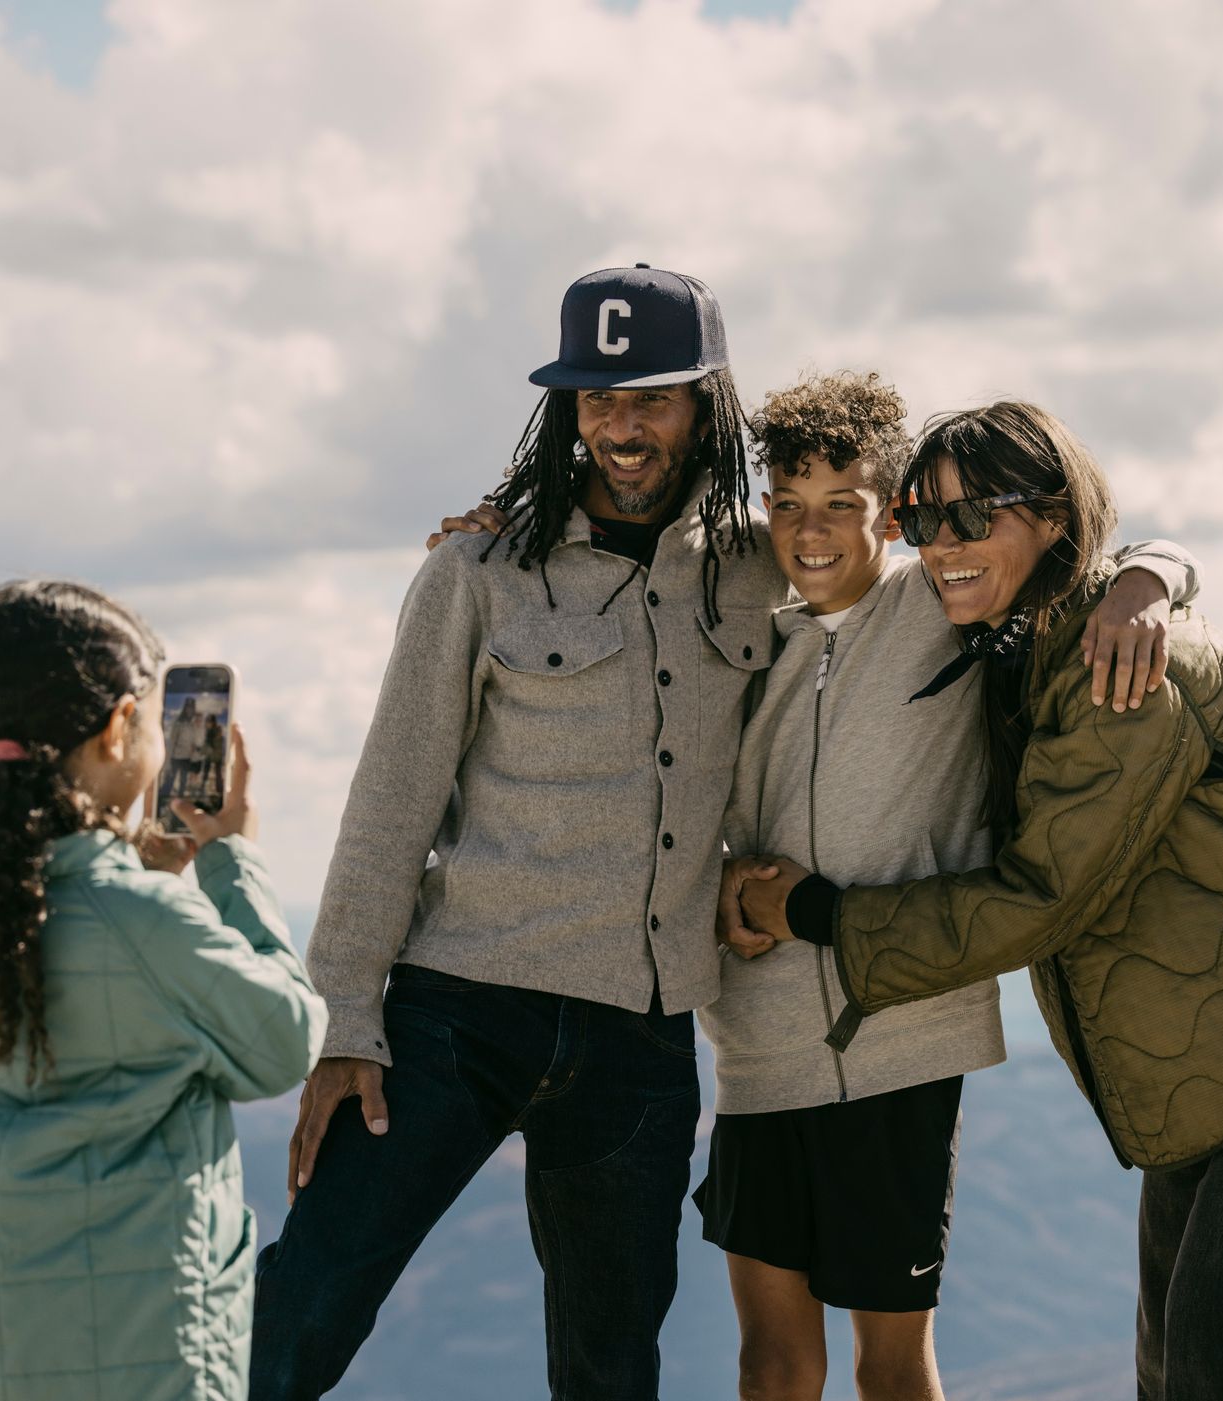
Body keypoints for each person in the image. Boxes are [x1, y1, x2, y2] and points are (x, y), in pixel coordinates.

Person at [729, 401, 1223, 1401]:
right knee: (1200, 1363)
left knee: (1221, 1355)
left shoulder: (1121, 669)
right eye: (925, 521)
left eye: (975, 519)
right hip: (1213, 1050)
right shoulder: (1027, 643)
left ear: (1053, 519)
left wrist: (816, 915)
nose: (944, 547)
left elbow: (1039, 900)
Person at [249, 263, 791, 1400]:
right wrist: (348, 1014)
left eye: (649, 396)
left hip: (639, 1036)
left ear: (708, 404)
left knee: (611, 1367)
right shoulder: (478, 570)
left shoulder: (758, 575)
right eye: (596, 399)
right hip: (456, 1011)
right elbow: (391, 801)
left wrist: (1150, 568)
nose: (621, 426)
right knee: (303, 1309)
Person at [699, 373, 1200, 1401]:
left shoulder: (943, 602)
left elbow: (1124, 548)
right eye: (788, 506)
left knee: (892, 1368)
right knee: (772, 1364)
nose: (814, 532)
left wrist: (1148, 581)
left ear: (894, 512)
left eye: (845, 505)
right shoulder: (742, 634)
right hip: (756, 1048)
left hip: (904, 1046)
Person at [0, 579, 327, 1401]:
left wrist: (143, 883)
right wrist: (232, 859)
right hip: (147, 1353)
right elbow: (285, 1040)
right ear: (119, 727)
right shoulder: (146, 920)